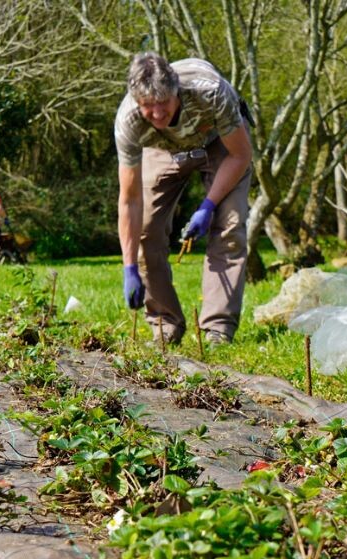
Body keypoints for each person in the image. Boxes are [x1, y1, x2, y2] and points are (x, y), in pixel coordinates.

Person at [115, 52, 253, 345]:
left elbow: (240, 155)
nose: (156, 113)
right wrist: (129, 267)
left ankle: (218, 329)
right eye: (147, 106)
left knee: (229, 227)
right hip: (163, 149)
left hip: (220, 143)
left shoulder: (210, 92)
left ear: (176, 90)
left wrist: (208, 205)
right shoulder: (129, 119)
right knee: (145, 231)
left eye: (163, 102)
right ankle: (166, 324)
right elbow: (129, 200)